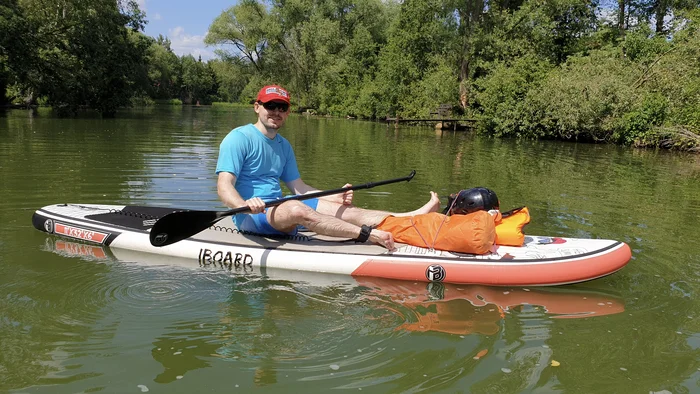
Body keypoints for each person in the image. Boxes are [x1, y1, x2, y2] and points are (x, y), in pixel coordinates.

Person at [215, 84, 440, 250]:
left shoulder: (284, 146)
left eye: (282, 107)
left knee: (345, 209)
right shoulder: (238, 138)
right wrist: (244, 204)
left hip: (278, 207)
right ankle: (369, 235)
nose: (276, 111)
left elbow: (299, 188)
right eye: (270, 105)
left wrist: (333, 196)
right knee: (297, 209)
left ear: (288, 112)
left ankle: (409, 218)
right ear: (257, 107)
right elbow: (224, 187)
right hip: (251, 216)